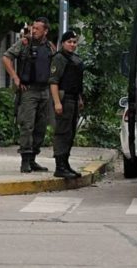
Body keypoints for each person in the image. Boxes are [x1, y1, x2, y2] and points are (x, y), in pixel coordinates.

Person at [3, 17, 55, 173]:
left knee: (41, 126)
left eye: (38, 29)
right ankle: (25, 160)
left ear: (45, 31)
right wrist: (15, 77)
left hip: (44, 90)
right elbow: (6, 57)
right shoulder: (24, 44)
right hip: (29, 91)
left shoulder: (50, 47)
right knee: (27, 125)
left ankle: (33, 159)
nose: (34, 31)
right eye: (33, 28)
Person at [49, 30, 85, 179]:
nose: (72, 45)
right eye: (69, 42)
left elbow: (77, 82)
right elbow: (53, 82)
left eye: (74, 42)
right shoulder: (59, 58)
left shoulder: (74, 59)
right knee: (62, 133)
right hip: (64, 100)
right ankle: (60, 166)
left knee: (70, 133)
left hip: (74, 99)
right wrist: (57, 102)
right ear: (63, 43)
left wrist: (80, 99)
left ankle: (66, 163)